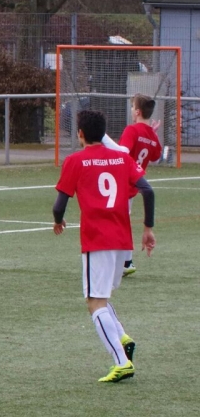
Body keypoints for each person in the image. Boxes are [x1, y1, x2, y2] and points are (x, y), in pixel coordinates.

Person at [54, 109, 156, 383]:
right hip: (122, 241)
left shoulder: (75, 161)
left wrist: (58, 220)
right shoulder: (122, 158)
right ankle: (122, 337)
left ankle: (121, 362)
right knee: (102, 297)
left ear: (80, 134)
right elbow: (148, 190)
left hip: (97, 239)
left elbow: (59, 204)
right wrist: (148, 228)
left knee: (94, 302)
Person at [101, 94, 162, 276]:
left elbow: (123, 152)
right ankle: (126, 261)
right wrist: (152, 135)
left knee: (112, 222)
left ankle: (122, 261)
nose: (131, 110)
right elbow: (156, 157)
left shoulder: (132, 130)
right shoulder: (151, 135)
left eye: (132, 107)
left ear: (137, 112)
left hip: (121, 181)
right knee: (122, 220)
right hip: (134, 184)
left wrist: (102, 136)